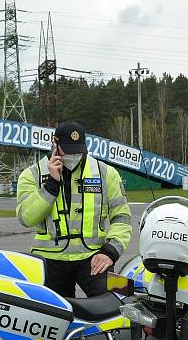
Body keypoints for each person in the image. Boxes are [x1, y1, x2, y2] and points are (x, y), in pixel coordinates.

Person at [16, 121, 132, 297]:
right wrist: (51, 186)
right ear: (55, 145)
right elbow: (26, 219)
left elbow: (122, 217)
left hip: (95, 256)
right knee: (50, 315)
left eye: (78, 150)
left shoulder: (106, 173)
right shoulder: (32, 174)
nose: (74, 155)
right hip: (49, 260)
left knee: (121, 298)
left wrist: (111, 252)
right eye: (68, 150)